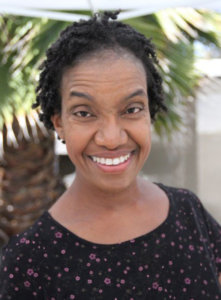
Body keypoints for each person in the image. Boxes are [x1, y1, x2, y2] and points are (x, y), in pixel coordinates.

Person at [0, 11, 221, 300]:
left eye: (131, 109)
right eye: (84, 113)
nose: (112, 138)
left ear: (149, 112)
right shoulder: (28, 262)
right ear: (59, 123)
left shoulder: (188, 213)